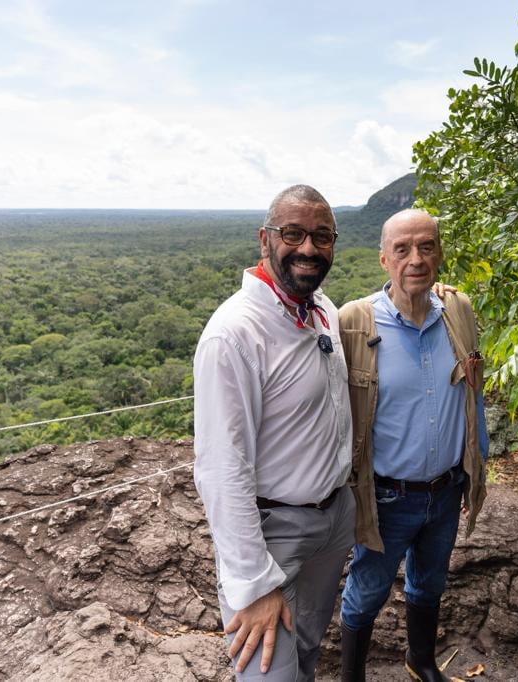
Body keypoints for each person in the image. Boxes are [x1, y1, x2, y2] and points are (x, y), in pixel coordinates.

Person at [193, 185, 355, 681]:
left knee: (305, 653)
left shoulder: (319, 308)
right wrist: (254, 586)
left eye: (321, 236)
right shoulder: (235, 334)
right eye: (293, 233)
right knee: (269, 673)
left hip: (332, 520)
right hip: (273, 533)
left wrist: (423, 290)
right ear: (265, 240)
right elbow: (222, 469)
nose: (308, 248)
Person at [337, 209, 489, 682]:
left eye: (426, 247)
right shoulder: (355, 325)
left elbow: (473, 393)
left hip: (445, 489)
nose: (416, 259)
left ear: (440, 254)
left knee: (430, 582)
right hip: (386, 495)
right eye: (402, 249)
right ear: (384, 258)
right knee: (366, 591)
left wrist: (475, 471)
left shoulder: (457, 312)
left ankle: (421, 661)